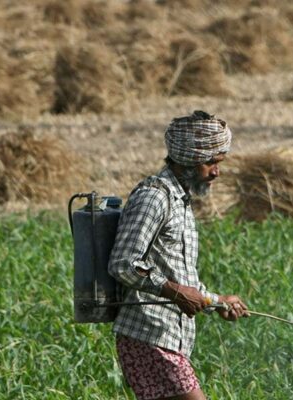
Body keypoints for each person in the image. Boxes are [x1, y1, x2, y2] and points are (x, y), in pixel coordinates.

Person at [108, 110, 249, 400]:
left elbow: (177, 274)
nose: (216, 171)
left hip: (167, 336)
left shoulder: (180, 200)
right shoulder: (154, 197)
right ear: (186, 160)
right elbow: (123, 263)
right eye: (209, 162)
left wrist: (216, 302)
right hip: (148, 335)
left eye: (218, 162)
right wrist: (175, 292)